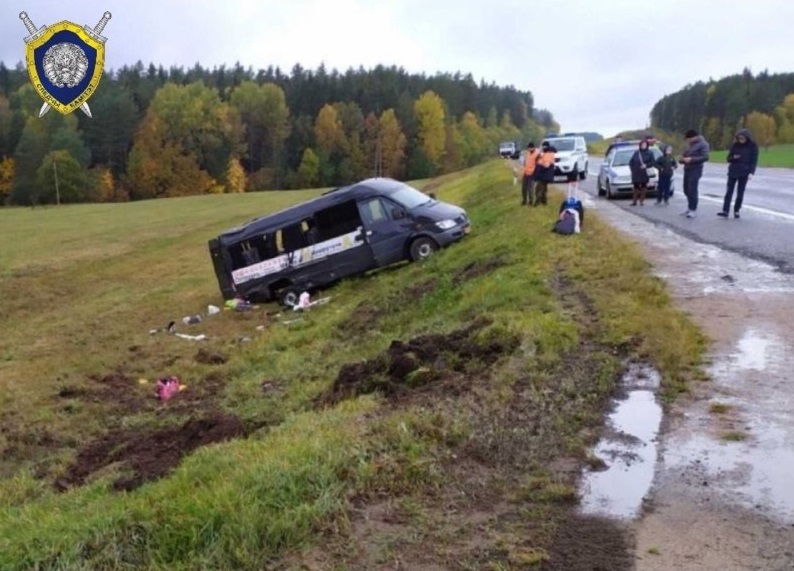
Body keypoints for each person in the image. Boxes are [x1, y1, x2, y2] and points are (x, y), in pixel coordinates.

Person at [718, 128, 758, 219]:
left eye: (742, 138)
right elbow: (728, 158)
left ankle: (737, 210)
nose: (741, 140)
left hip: (744, 172)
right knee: (729, 192)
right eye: (739, 138)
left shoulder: (753, 146)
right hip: (733, 171)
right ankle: (725, 210)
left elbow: (754, 160)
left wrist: (751, 172)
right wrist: (734, 157)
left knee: (740, 193)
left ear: (747, 138)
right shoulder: (735, 145)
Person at [678, 129, 710, 218]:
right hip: (687, 169)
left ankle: (693, 209)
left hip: (696, 169)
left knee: (692, 189)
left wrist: (692, 159)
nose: (687, 141)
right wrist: (681, 159)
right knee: (686, 189)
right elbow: (684, 154)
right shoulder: (689, 145)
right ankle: (689, 206)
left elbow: (705, 157)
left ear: (693, 137)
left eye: (688, 139)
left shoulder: (703, 144)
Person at [629, 139, 655, 206]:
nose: (643, 146)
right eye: (642, 144)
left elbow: (653, 162)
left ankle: (641, 201)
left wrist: (646, 165)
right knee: (635, 187)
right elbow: (631, 162)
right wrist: (632, 169)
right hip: (636, 172)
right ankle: (634, 201)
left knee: (644, 186)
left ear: (647, 145)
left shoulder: (650, 153)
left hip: (644, 172)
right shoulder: (636, 152)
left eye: (645, 145)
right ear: (640, 145)